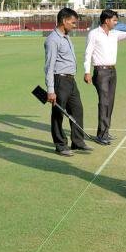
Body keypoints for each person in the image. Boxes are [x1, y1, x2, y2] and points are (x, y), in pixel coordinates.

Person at [83, 9, 126, 144]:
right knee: (104, 102)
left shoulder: (114, 34)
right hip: (100, 72)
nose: (116, 22)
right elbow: (88, 53)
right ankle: (101, 135)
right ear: (106, 20)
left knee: (110, 102)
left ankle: (105, 132)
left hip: (112, 71)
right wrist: (87, 72)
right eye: (114, 20)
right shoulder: (94, 34)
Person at [44, 8, 92, 156]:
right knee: (59, 113)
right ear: (64, 21)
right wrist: (51, 90)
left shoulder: (66, 36)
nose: (75, 25)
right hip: (60, 80)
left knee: (77, 110)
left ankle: (77, 142)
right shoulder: (52, 40)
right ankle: (60, 145)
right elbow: (49, 67)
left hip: (71, 80)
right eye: (73, 22)